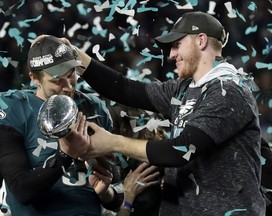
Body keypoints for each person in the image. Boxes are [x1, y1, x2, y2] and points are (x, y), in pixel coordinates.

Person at [34, 11, 265, 215]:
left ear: (201, 41)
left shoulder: (228, 90)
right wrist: (74, 54)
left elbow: (179, 151)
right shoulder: (183, 89)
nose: (171, 55)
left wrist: (112, 142)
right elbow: (123, 89)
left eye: (177, 45)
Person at [0, 35, 124, 215]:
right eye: (57, 81)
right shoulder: (13, 108)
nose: (68, 87)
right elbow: (22, 190)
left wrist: (106, 193)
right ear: (34, 78)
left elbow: (118, 193)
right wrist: (65, 156)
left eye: (71, 75)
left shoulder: (95, 108)